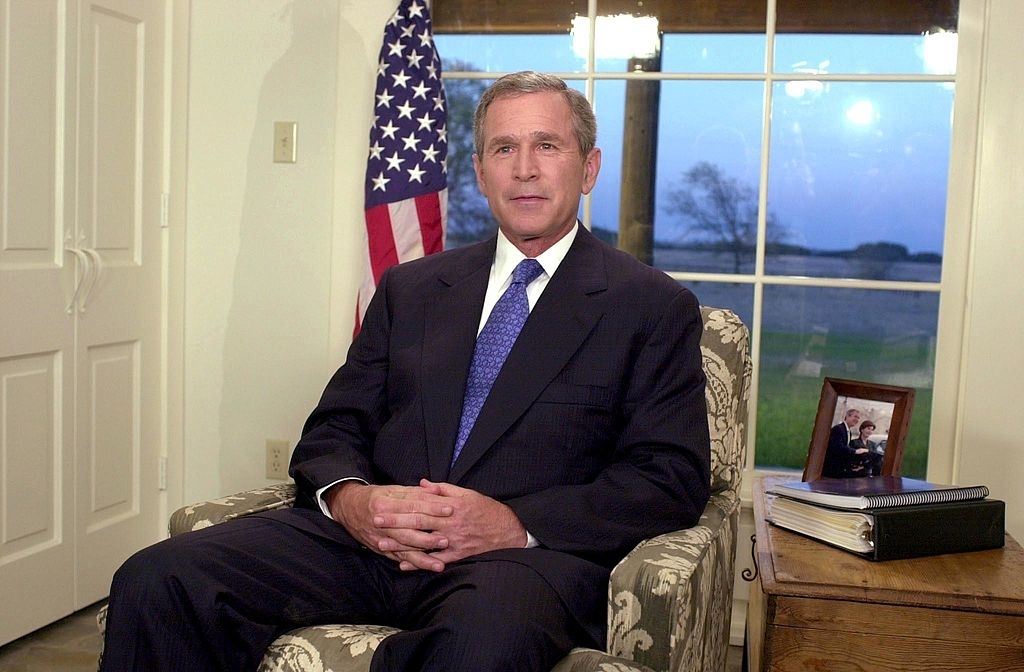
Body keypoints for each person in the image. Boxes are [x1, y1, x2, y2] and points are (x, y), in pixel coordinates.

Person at [99, 71, 711, 672]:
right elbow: (334, 428)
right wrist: (349, 500)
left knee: (479, 648)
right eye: (504, 148)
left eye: (546, 146)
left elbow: (669, 478)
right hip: (369, 541)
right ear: (480, 173)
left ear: (589, 168)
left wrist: (514, 524)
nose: (525, 168)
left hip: (516, 565)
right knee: (158, 578)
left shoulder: (649, 306)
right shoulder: (412, 288)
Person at [821, 407, 866, 478]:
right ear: (847, 416)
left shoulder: (849, 432)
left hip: (840, 470)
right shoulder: (838, 429)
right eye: (855, 417)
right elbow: (838, 447)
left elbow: (846, 451)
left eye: (858, 418)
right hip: (831, 470)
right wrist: (856, 451)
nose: (857, 420)